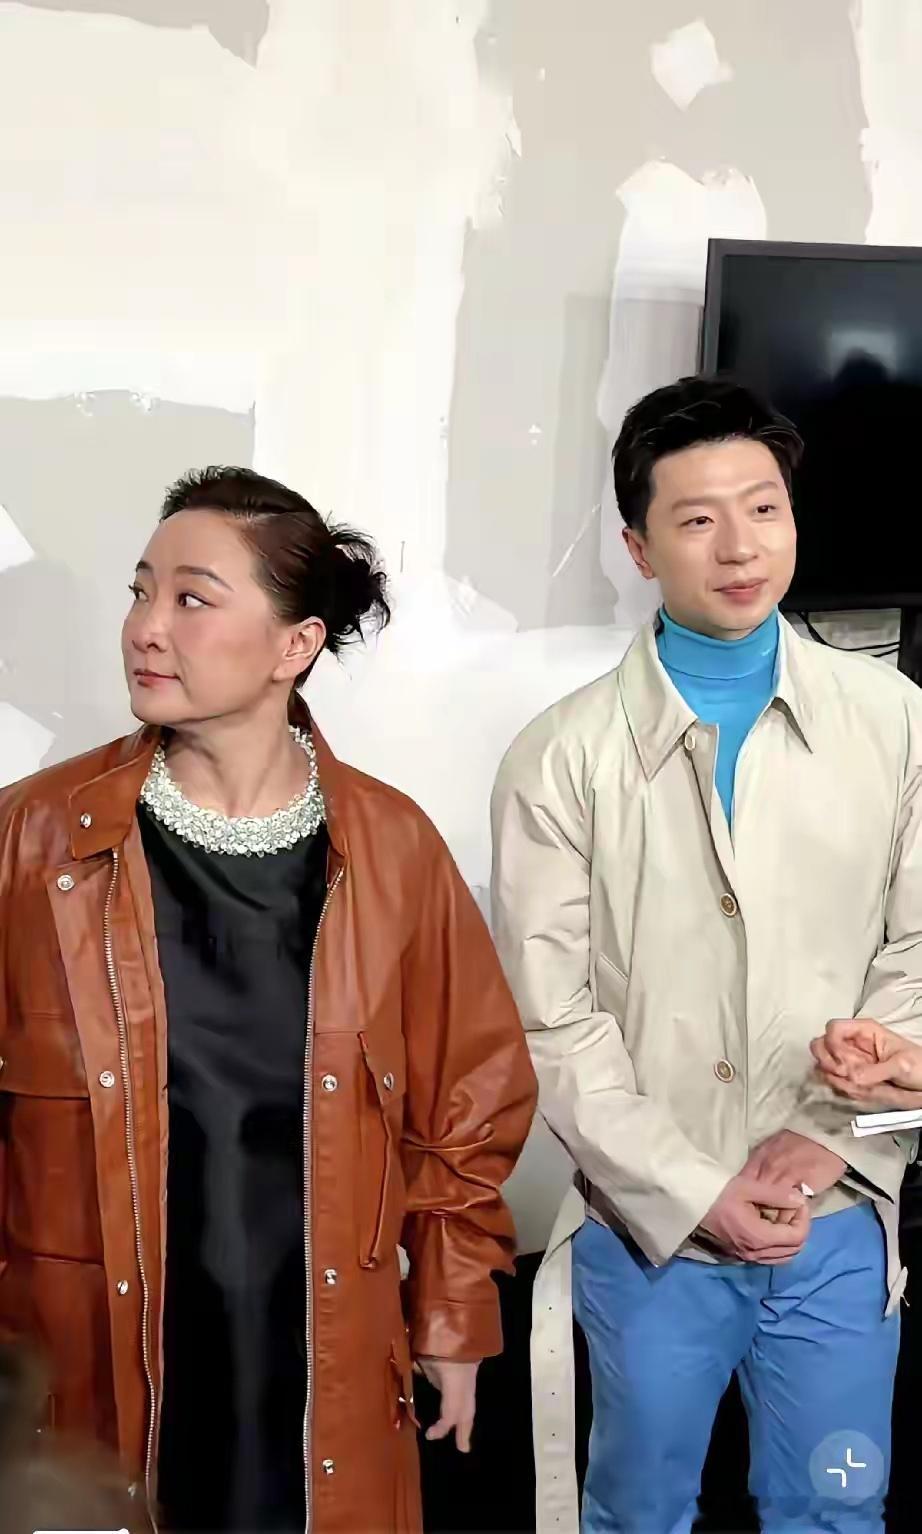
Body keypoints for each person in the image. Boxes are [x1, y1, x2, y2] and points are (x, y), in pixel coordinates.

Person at [0, 466, 537, 1534]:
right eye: (140, 592)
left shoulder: (392, 848)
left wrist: (451, 1314)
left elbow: (468, 1105)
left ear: (295, 645)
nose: (147, 628)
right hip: (85, 1360)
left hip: (321, 1353)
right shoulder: (31, 839)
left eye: (192, 599)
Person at [491, 376, 922, 1534]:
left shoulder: (894, 718)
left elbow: (920, 948)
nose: (741, 546)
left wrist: (832, 1139)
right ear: (638, 547)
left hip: (838, 1218)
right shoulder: (560, 757)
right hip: (647, 1236)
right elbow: (551, 1019)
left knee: (834, 1509)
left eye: (763, 508)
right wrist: (694, 1190)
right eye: (696, 519)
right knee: (638, 1514)